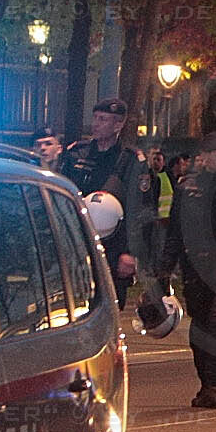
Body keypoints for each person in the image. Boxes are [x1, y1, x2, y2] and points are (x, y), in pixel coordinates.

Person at [166, 134, 216, 409]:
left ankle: (215, 385)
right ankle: (206, 384)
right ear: (203, 156)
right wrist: (165, 268)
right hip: (195, 267)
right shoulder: (187, 188)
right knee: (200, 327)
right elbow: (175, 231)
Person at [59, 99, 152, 301]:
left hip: (113, 248)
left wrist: (131, 253)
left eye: (103, 119)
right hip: (76, 244)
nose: (95, 124)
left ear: (118, 125)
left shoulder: (131, 161)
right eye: (95, 118)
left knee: (109, 303)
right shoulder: (76, 153)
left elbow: (141, 211)